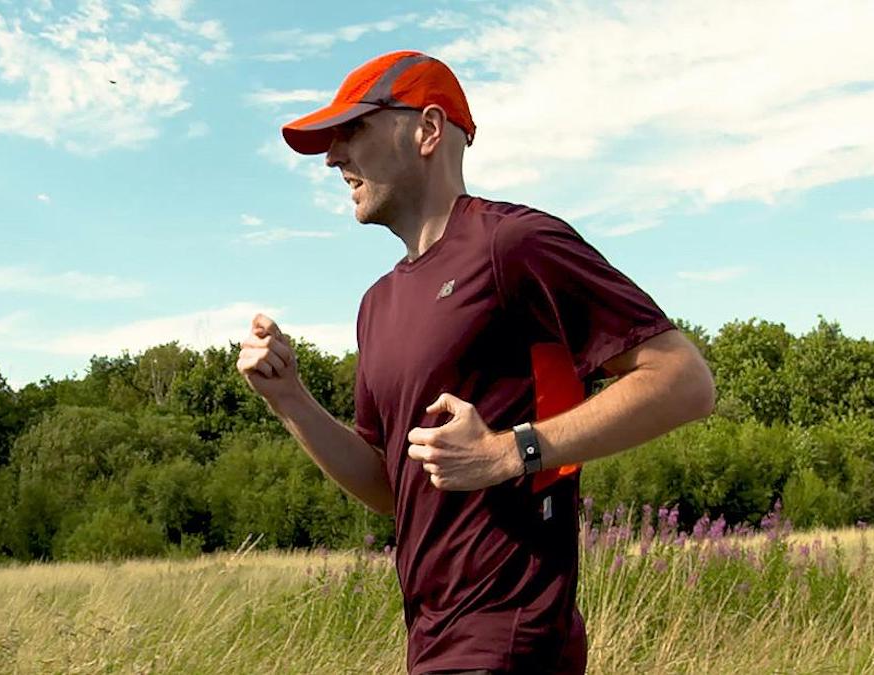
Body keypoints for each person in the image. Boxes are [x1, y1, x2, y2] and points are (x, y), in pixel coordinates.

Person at [236, 50, 715, 675]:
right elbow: (389, 487)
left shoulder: (512, 244)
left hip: (511, 632)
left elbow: (683, 380)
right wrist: (290, 398)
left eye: (352, 130)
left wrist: (509, 452)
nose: (333, 157)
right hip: (431, 639)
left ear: (428, 131)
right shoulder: (376, 304)